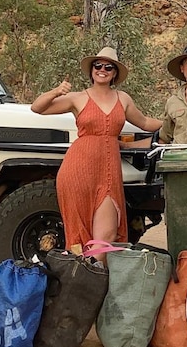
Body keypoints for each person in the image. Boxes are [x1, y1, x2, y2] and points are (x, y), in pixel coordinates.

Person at [31, 46, 162, 258]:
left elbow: (145, 122)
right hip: (77, 171)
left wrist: (176, 123)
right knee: (79, 237)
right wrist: (57, 91)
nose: (102, 69)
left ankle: (91, 277)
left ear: (115, 73)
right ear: (92, 70)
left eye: (108, 66)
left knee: (106, 236)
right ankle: (85, 284)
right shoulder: (78, 98)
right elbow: (38, 108)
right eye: (98, 65)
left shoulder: (123, 99)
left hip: (108, 174)